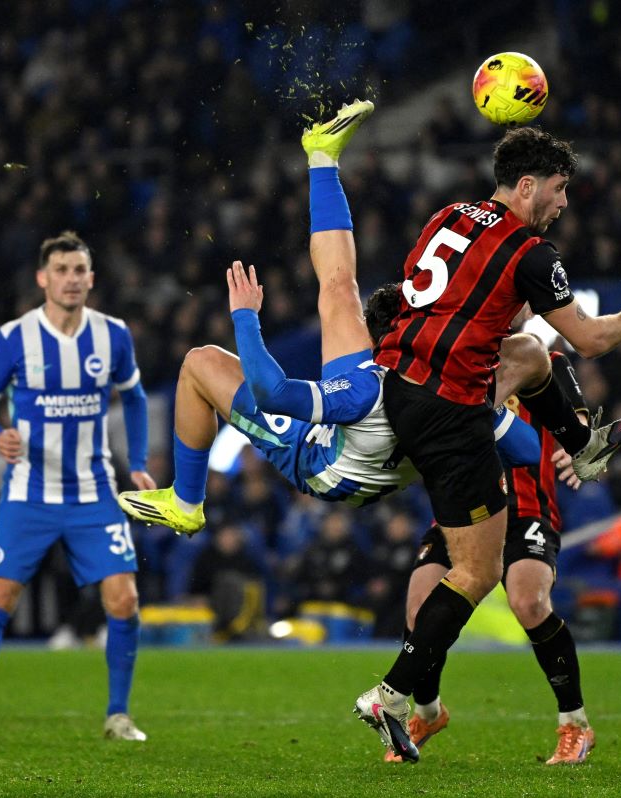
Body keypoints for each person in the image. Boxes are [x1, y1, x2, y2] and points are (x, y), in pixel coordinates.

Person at [356, 125, 621, 761]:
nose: (563, 204)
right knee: (472, 575)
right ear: (527, 185)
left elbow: (439, 305)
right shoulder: (530, 252)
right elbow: (586, 338)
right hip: (456, 417)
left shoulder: (449, 215)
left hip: (407, 395)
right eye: (558, 190)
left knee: (521, 593)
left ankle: (571, 721)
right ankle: (403, 701)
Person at [118, 101, 553, 533]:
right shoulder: (458, 390)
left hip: (320, 465)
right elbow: (528, 450)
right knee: (339, 289)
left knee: (200, 363)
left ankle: (185, 503)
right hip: (390, 440)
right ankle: (322, 157)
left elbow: (270, 392)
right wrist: (495, 410)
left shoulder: (365, 388)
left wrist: (245, 318)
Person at [0, 230, 156, 743]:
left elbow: (133, 398)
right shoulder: (15, 337)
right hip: (29, 493)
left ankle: (118, 715)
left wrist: (137, 463)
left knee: (124, 599)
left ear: (91, 278)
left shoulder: (114, 335)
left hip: (94, 491)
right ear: (43, 278)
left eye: (79, 270)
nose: (71, 279)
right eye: (61, 270)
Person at [385, 350, 601, 766]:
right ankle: (428, 713)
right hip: (462, 511)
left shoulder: (543, 359)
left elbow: (581, 422)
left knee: (529, 601)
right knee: (417, 611)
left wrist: (580, 448)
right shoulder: (451, 363)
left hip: (526, 509)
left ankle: (575, 724)